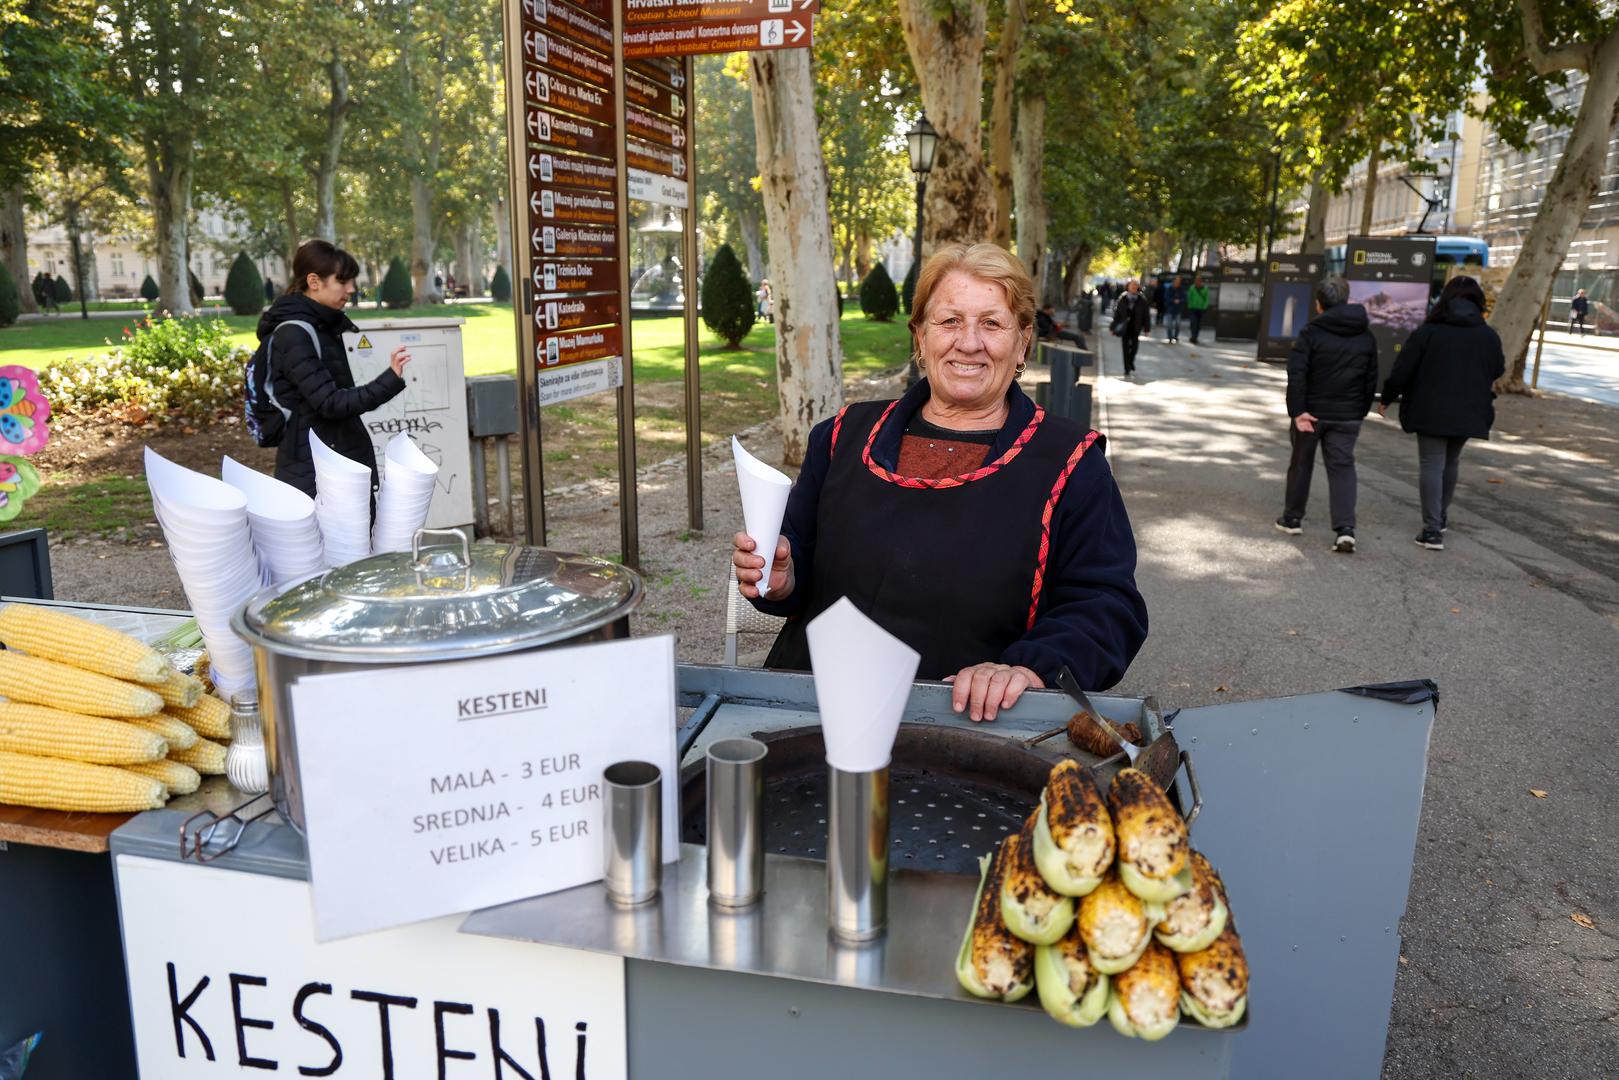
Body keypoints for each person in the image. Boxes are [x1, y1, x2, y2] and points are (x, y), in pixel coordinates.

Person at [732, 242, 1147, 721]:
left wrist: (1026, 668)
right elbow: (798, 556)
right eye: (949, 321)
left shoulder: (1071, 462)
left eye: (991, 323)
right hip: (815, 706)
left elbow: (1108, 606)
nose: (968, 342)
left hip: (971, 721)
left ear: (1023, 340)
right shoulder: (843, 435)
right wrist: (782, 578)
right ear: (920, 337)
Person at [258, 239, 411, 499]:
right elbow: (330, 403)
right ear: (314, 281)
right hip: (315, 473)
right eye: (342, 281)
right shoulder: (295, 334)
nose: (351, 289)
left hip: (331, 462)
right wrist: (390, 379)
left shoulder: (324, 324)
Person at [1379, 275, 1504, 551]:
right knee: (1451, 462)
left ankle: (1432, 529)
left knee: (1432, 463)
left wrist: (1387, 397)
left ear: (1444, 299)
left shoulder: (1428, 332)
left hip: (1430, 408)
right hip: (1470, 410)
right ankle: (1441, 517)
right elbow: (1498, 369)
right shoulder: (1488, 335)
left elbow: (1403, 369)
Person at [1274, 278, 1378, 553]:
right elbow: (1371, 379)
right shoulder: (1365, 335)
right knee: (1342, 468)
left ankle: (1292, 518)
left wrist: (1298, 411)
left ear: (1319, 304)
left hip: (1311, 413)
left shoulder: (1311, 333)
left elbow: (1297, 374)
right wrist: (1359, 411)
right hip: (1347, 416)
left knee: (1301, 463)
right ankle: (1345, 529)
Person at [1110, 279, 1152, 377]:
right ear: (1128, 287)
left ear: (1138, 287)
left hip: (1136, 326)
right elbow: (1117, 314)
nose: (1133, 287)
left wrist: (1147, 329)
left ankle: (1131, 361)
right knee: (1125, 348)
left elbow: (1146, 315)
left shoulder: (1142, 299)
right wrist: (1113, 327)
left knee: (1134, 347)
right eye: (1131, 285)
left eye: (1135, 285)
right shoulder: (1122, 298)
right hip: (1125, 327)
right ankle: (1126, 368)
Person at [1187, 274, 1210, 344]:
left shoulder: (1205, 288)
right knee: (1193, 323)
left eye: (1199, 280)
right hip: (1193, 308)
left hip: (1201, 309)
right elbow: (1189, 297)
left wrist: (1204, 307)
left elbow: (1207, 299)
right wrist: (1190, 306)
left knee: (1198, 324)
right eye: (1196, 280)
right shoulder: (1192, 288)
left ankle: (1195, 337)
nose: (1198, 282)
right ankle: (1193, 336)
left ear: (1201, 281)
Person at [1164, 275, 1187, 343]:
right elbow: (1166, 297)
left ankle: (1175, 336)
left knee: (1178, 324)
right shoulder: (1169, 288)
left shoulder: (1182, 289)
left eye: (1179, 281)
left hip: (1178, 309)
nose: (1178, 282)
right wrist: (1173, 300)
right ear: (1174, 281)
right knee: (1169, 325)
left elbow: (1185, 298)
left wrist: (1180, 301)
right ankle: (1170, 337)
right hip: (1170, 309)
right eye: (1176, 281)